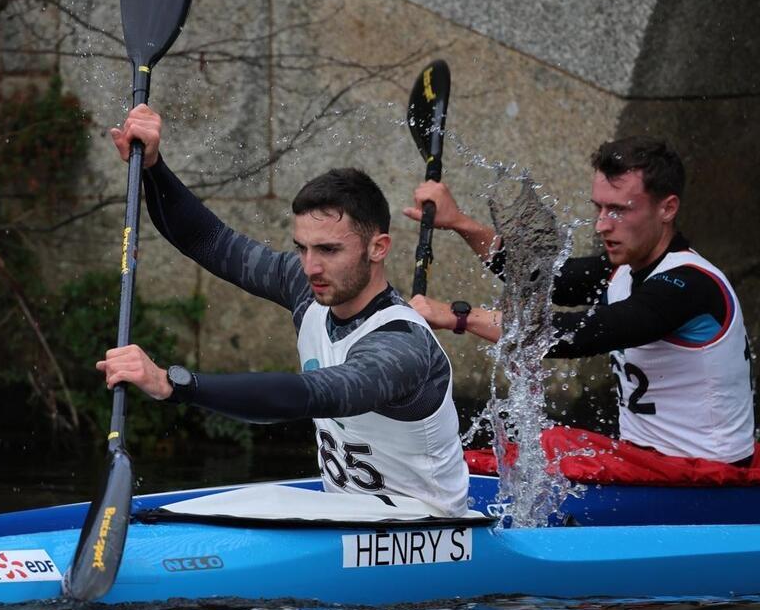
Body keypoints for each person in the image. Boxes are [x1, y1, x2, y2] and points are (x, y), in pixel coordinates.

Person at [95, 104, 470, 516]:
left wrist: (174, 384)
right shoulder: (308, 286)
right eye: (302, 248)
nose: (310, 267)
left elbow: (305, 395)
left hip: (425, 531)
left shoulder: (402, 348)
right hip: (345, 517)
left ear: (377, 248)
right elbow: (209, 241)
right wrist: (152, 166)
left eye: (328, 250)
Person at [406, 136, 755, 466]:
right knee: (530, 454)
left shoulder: (690, 285)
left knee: (549, 447)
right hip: (647, 464)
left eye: (618, 210)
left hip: (706, 476)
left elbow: (578, 335)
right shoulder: (620, 269)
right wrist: (460, 222)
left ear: (667, 208)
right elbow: (534, 275)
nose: (602, 225)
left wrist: (458, 316)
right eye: (599, 208)